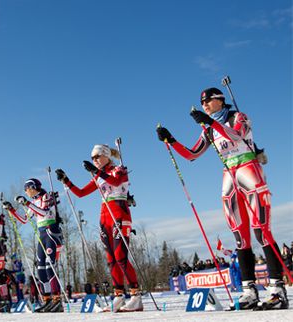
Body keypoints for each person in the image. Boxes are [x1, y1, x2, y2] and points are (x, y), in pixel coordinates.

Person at [157, 87, 288, 310]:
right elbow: (192, 154)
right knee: (240, 236)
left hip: (248, 169)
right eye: (202, 102)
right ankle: (249, 290)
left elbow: (236, 135)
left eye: (208, 100)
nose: (205, 104)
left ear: (220, 100)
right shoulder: (208, 127)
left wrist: (211, 122)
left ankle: (277, 289)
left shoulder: (238, 116)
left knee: (261, 230)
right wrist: (171, 140)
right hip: (229, 175)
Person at [55, 144, 143, 312]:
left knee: (121, 257)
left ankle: (135, 295)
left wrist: (97, 172)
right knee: (111, 260)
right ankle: (118, 295)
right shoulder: (98, 176)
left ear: (106, 156)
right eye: (92, 158)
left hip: (119, 214)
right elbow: (81, 193)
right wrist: (66, 180)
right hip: (104, 218)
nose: (94, 160)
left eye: (97, 157)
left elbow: (116, 181)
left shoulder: (118, 169)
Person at [3, 179, 64, 313]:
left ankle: (57, 300)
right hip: (41, 233)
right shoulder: (34, 202)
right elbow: (24, 220)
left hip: (50, 232)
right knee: (40, 268)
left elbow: (44, 213)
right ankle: (47, 299)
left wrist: (27, 202)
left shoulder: (46, 196)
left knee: (49, 266)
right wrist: (12, 210)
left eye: (27, 189)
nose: (26, 192)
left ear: (33, 187)